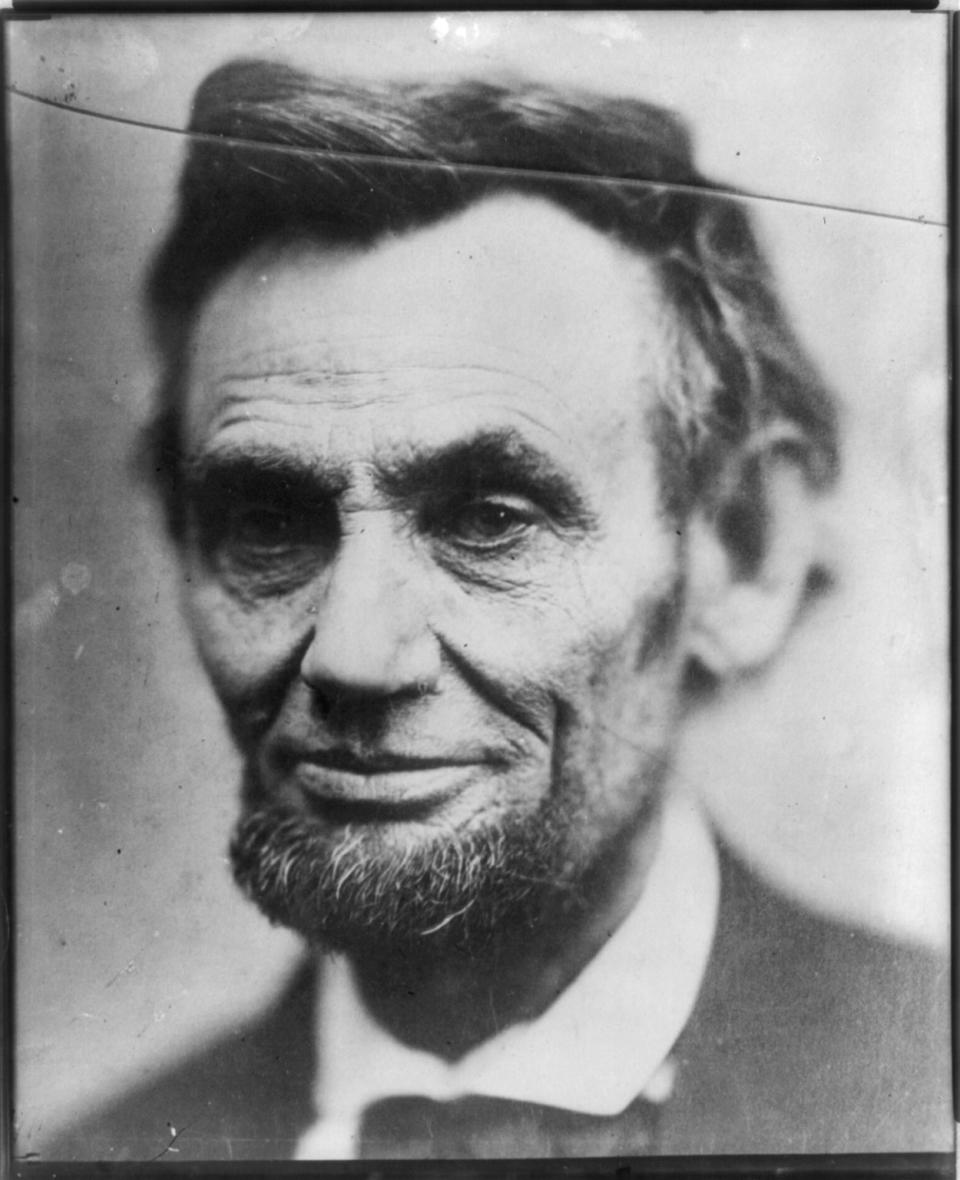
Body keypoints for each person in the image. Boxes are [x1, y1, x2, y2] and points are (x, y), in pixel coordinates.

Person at [48, 60, 950, 1162]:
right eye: (271, 525)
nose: (356, 654)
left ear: (742, 552)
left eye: (488, 518)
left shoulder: (924, 1087)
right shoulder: (94, 1155)